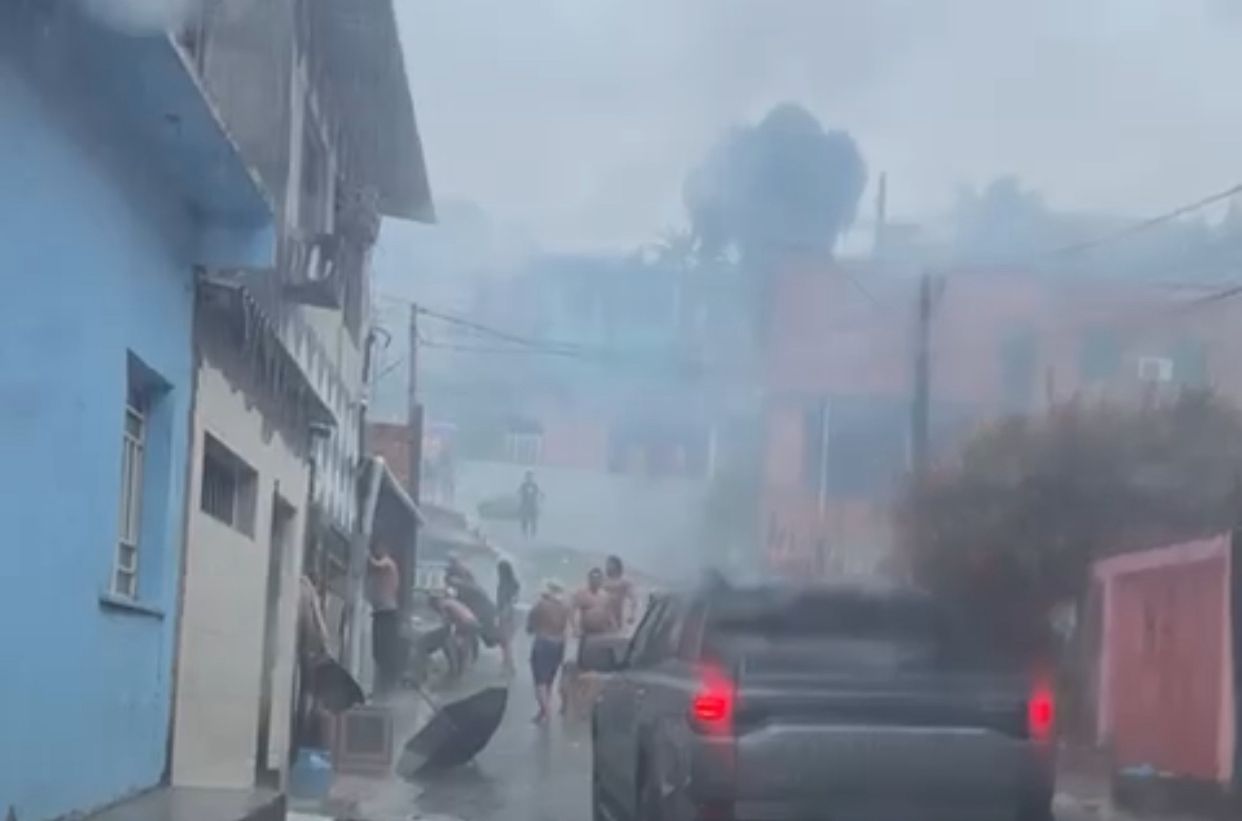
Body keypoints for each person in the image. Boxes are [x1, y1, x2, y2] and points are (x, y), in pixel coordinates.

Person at [563, 567, 614, 716]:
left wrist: (616, 629)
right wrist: (574, 628)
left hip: (602, 636)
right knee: (582, 668)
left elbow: (609, 614)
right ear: (589, 579)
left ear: (601, 580)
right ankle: (575, 700)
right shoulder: (582, 594)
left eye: (598, 578)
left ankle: (590, 703)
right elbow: (571, 610)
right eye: (593, 578)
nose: (595, 581)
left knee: (598, 671)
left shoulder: (605, 596)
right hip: (587, 636)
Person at [526, 579, 570, 723]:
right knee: (549, 680)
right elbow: (564, 628)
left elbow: (530, 628)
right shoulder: (564, 607)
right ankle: (543, 711)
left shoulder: (540, 605)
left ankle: (546, 711)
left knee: (540, 682)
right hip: (559, 644)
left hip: (543, 643)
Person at [366, 543, 401, 695]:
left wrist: (364, 551)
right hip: (382, 612)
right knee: (379, 652)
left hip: (386, 612)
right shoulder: (386, 568)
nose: (377, 551)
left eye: (379, 548)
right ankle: (381, 689)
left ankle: (385, 689)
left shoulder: (388, 563)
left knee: (383, 652)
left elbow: (376, 564)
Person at [496, 559, 521, 675]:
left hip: (506, 613)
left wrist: (501, 615)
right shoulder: (514, 583)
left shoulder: (504, 584)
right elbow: (515, 599)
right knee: (505, 641)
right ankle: (506, 663)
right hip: (511, 613)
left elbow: (506, 601)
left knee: (505, 641)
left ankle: (509, 665)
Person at [602, 554, 638, 631]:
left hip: (617, 616)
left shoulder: (624, 582)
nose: (607, 566)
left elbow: (634, 599)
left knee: (615, 633)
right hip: (602, 617)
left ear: (617, 566)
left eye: (610, 564)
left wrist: (632, 614)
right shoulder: (602, 580)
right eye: (607, 564)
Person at [517, 471, 542, 538]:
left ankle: (533, 535)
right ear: (526, 477)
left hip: (533, 505)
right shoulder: (523, 485)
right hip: (525, 505)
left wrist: (542, 496)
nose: (529, 478)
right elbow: (518, 492)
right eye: (528, 476)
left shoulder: (535, 485)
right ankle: (524, 534)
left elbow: (539, 492)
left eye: (530, 476)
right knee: (524, 520)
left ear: (532, 477)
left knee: (533, 521)